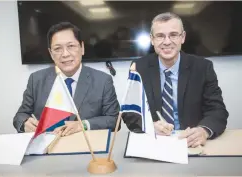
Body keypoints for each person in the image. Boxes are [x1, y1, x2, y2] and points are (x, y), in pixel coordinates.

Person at [123, 12, 228, 147]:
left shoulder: (202, 68)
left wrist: (203, 131)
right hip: (154, 143)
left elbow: (217, 110)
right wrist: (149, 126)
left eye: (173, 35)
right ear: (152, 39)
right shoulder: (139, 68)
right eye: (160, 36)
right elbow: (130, 113)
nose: (167, 42)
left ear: (182, 37)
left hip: (191, 143)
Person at [13, 22, 120, 136]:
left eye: (71, 46)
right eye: (58, 48)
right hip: (48, 147)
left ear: (82, 48)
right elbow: (20, 115)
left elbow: (114, 121)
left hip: (87, 147)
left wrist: (82, 125)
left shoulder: (103, 81)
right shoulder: (36, 80)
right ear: (51, 53)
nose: (65, 54)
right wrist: (25, 123)